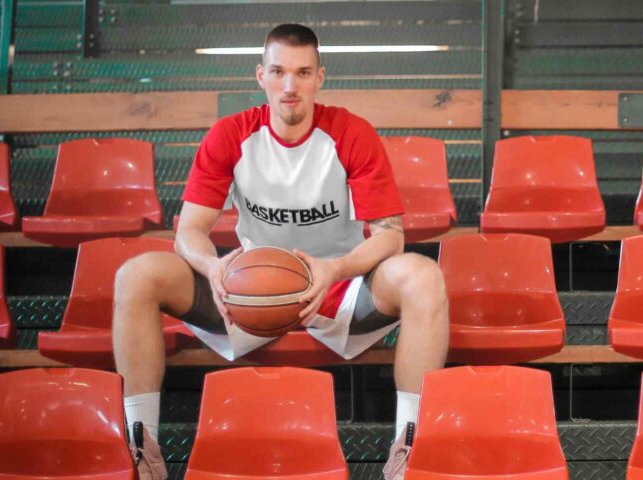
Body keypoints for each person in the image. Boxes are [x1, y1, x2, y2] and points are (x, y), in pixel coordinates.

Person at [112, 23, 449, 480]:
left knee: (423, 275)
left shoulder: (351, 133)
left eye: (303, 72)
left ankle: (411, 445)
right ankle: (139, 445)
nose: (290, 86)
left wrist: (334, 269)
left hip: (339, 288)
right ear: (261, 76)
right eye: (278, 72)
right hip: (251, 294)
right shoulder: (231, 135)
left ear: (319, 78)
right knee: (136, 275)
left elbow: (390, 237)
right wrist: (212, 267)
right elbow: (189, 230)